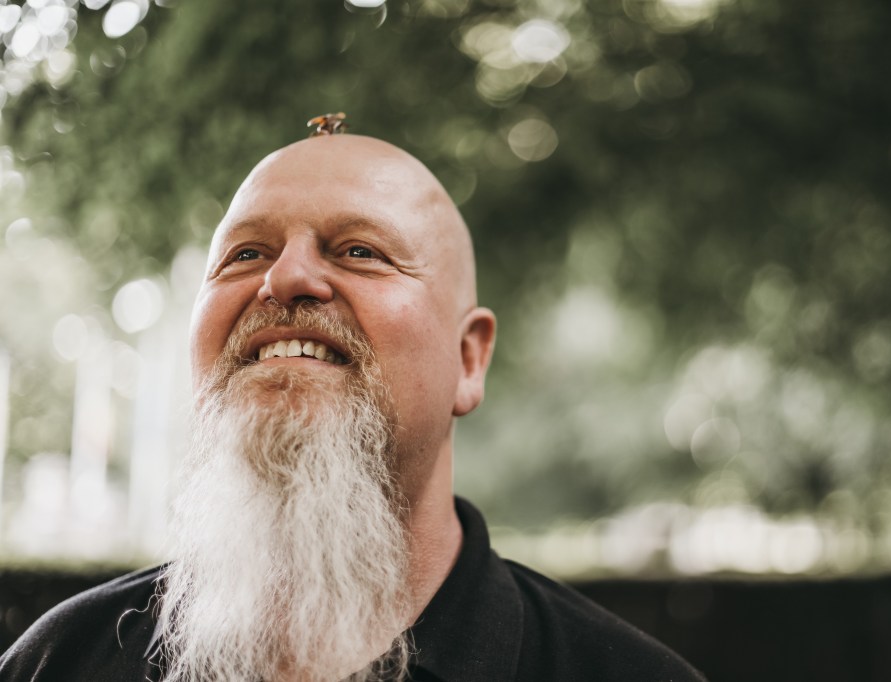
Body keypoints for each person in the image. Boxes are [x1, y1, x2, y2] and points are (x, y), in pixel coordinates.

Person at [0, 122, 707, 682]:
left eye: (359, 251)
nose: (285, 278)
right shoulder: (60, 662)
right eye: (245, 254)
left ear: (469, 358)